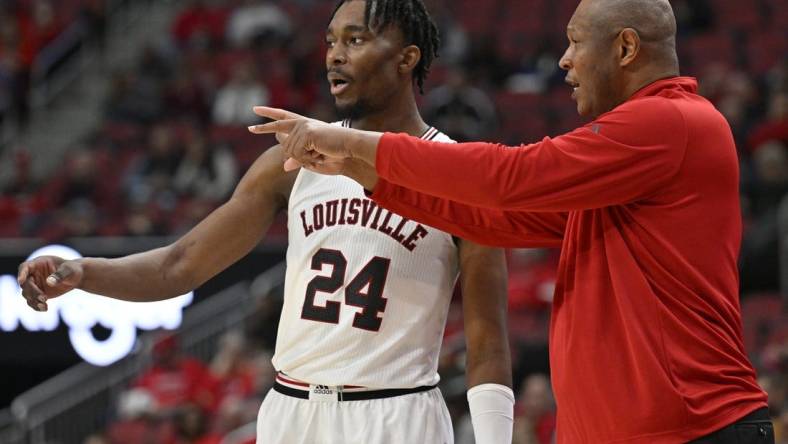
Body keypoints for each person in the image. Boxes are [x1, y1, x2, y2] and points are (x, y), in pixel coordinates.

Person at [249, 0, 776, 442]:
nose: (564, 60)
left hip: (693, 428)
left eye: (575, 42)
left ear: (626, 48)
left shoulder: (667, 121)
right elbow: (501, 220)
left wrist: (355, 143)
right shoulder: (634, 159)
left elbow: (510, 178)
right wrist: (368, 177)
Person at [17, 1, 514, 443]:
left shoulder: (458, 171)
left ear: (407, 58)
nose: (334, 56)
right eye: (330, 42)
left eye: (355, 40)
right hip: (290, 411)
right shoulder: (291, 160)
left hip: (395, 414)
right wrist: (84, 272)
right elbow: (179, 265)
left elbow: (488, 341)